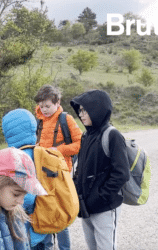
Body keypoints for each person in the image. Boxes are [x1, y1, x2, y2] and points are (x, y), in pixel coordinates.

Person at [70, 89, 129, 250]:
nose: (81, 114)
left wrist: (101, 197)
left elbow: (122, 174)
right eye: (80, 110)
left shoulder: (112, 135)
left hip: (104, 206)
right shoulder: (86, 136)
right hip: (86, 206)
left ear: (97, 109)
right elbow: (80, 168)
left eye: (85, 110)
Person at [33, 85, 83, 250]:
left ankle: (64, 248)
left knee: (60, 212)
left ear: (57, 102)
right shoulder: (37, 119)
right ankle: (47, 247)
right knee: (44, 210)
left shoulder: (65, 119)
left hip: (61, 173)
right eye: (41, 106)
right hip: (41, 174)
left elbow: (79, 143)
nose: (44, 109)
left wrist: (58, 151)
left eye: (48, 106)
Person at [1, 108, 48, 250]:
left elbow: (27, 195)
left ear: (9, 133)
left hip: (28, 221)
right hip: (43, 218)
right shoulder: (39, 152)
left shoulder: (19, 158)